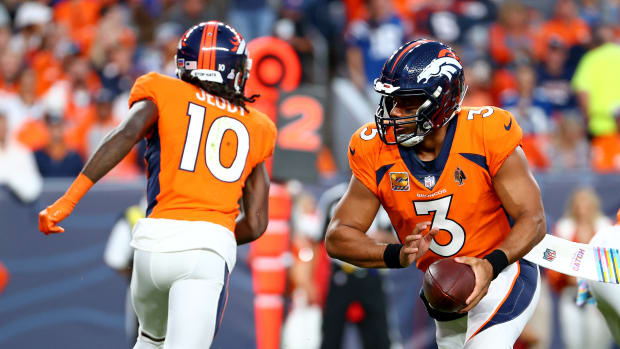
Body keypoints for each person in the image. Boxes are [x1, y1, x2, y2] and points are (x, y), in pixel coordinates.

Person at [38, 21, 277, 349]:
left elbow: (124, 134)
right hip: (204, 253)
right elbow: (257, 222)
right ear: (234, 70)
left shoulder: (163, 90)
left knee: (149, 342)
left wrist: (68, 200)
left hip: (152, 248)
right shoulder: (258, 126)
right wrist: (206, 230)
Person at [325, 39, 546, 348]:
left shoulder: (487, 133)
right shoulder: (373, 149)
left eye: (408, 101)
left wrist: (491, 264)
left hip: (504, 271)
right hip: (443, 289)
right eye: (390, 101)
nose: (395, 112)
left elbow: (533, 218)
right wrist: (395, 253)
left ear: (444, 100)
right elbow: (338, 236)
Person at [547, 187, 613, 349]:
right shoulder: (564, 229)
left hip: (598, 296)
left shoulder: (605, 229)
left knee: (599, 342)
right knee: (572, 341)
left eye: (586, 205)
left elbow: (612, 265)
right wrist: (565, 278)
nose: (583, 210)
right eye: (579, 205)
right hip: (572, 294)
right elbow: (554, 267)